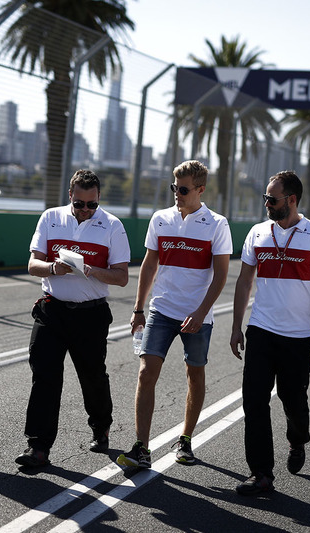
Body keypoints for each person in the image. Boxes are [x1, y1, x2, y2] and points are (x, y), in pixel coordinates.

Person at [230, 170, 310, 495]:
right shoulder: (258, 232)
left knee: (294, 402)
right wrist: (237, 327)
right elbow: (244, 281)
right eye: (265, 197)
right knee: (254, 401)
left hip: (298, 338)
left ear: (291, 200)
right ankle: (261, 473)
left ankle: (297, 440)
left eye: (272, 199)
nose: (266, 203)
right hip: (261, 331)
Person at [116, 160, 232, 469]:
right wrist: (139, 309)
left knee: (194, 374)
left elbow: (221, 275)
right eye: (173, 187)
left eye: (182, 189)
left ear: (200, 190)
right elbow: (149, 265)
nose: (176, 194)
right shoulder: (160, 219)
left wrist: (201, 311)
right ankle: (141, 447)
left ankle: (186, 440)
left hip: (197, 316)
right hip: (161, 311)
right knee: (145, 372)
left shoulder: (216, 223)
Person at [15, 169, 130, 468]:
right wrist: (54, 268)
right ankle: (38, 447)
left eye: (91, 204)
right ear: (70, 196)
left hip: (90, 314)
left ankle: (100, 424)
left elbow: (121, 277)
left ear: (99, 199)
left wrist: (91, 270)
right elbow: (32, 264)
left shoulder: (112, 226)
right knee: (44, 377)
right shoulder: (50, 218)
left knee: (92, 377)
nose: (85, 210)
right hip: (51, 310)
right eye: (80, 204)